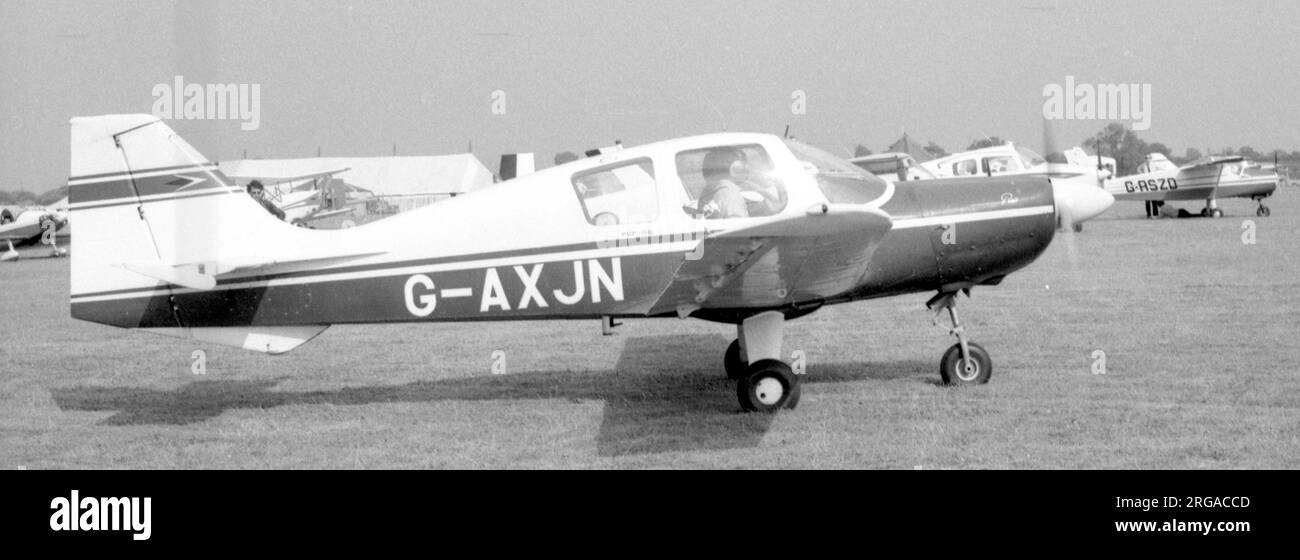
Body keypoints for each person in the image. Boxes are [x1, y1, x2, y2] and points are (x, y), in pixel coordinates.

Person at [696, 148, 750, 219]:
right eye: (744, 164)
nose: (747, 168)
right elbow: (739, 228)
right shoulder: (731, 196)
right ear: (735, 168)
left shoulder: (706, 194)